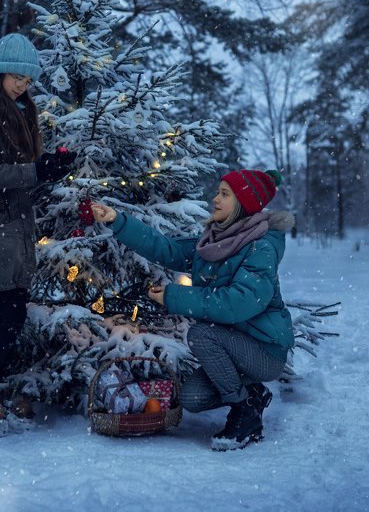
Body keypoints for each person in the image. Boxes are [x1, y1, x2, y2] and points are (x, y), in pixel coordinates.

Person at [91, 169, 294, 451]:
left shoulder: (260, 247)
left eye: (225, 194)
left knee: (200, 334)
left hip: (264, 350)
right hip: (233, 346)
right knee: (193, 398)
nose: (215, 199)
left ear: (243, 205)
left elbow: (237, 303)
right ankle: (252, 395)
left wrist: (174, 296)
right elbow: (167, 249)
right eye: (218, 192)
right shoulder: (216, 241)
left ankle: (245, 413)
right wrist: (117, 220)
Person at [0, 33, 76, 437]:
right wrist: (34, 171)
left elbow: (16, 172)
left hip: (11, 226)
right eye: (18, 76)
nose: (24, 84)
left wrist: (48, 166)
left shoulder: (15, 109)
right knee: (8, 316)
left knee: (11, 315)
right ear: (0, 70)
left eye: (28, 78)